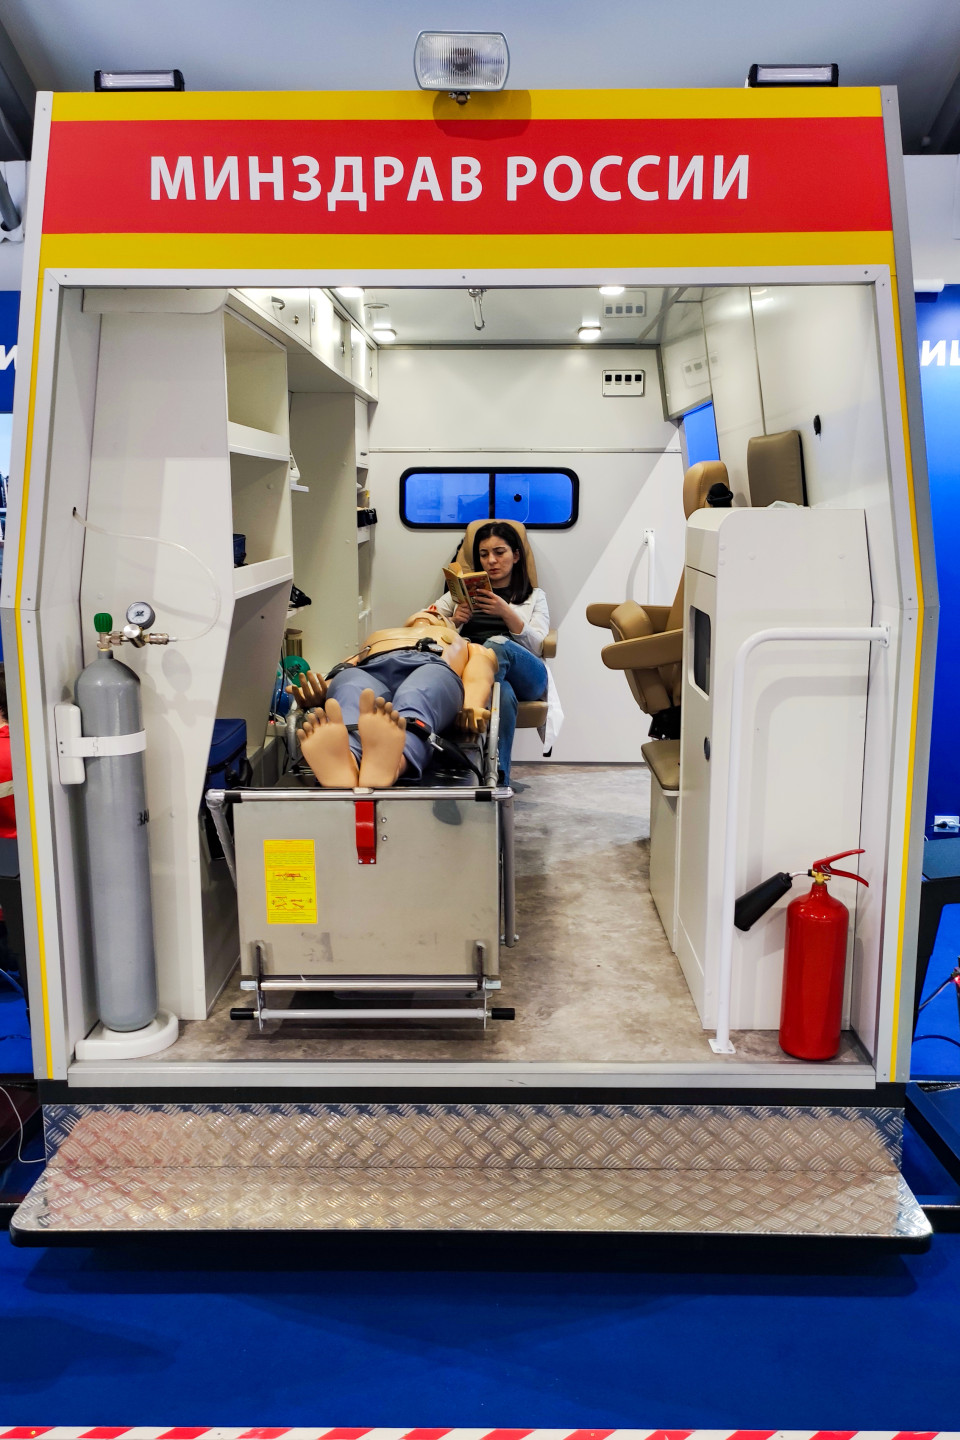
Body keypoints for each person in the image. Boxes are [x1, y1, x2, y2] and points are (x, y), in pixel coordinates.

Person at [287, 613, 497, 788]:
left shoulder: (464, 642)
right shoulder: (379, 637)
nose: (431, 611)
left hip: (431, 665)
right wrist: (320, 691)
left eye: (439, 614)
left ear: (450, 624)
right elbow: (344, 668)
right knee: (350, 688)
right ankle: (347, 761)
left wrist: (472, 704)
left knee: (416, 694)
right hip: (369, 668)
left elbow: (481, 667)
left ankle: (395, 762)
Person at [431, 520, 550, 785]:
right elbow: (425, 622)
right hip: (486, 678)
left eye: (499, 552)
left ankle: (463, 755)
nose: (491, 561)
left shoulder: (534, 596)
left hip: (528, 676)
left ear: (516, 556)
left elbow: (539, 645)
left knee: (496, 645)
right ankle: (496, 780)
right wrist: (454, 621)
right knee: (501, 693)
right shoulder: (458, 596)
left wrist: (506, 612)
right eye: (484, 554)